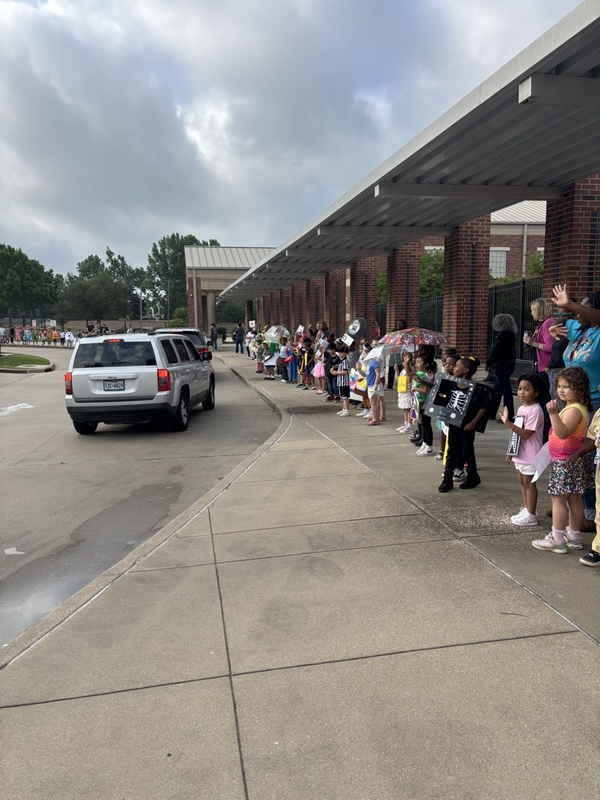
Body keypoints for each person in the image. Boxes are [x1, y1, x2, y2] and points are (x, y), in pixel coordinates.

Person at [549, 286, 600, 532]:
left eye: (585, 307)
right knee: (570, 453)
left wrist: (570, 305)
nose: (579, 313)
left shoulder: (599, 331)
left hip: (593, 401)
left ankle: (590, 513)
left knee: (587, 457)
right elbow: (560, 321)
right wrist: (556, 322)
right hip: (570, 400)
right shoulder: (579, 329)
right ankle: (567, 501)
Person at [532, 367, 595, 554]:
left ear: (579, 388)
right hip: (572, 459)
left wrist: (552, 414)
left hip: (564, 461)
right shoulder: (576, 407)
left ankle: (557, 538)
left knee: (558, 500)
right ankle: (573, 536)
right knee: (575, 498)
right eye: (559, 386)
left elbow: (562, 432)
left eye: (566, 387)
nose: (560, 390)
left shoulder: (574, 410)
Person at [438, 357, 487, 492]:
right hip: (454, 423)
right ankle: (447, 478)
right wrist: (445, 417)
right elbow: (446, 400)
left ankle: (473, 475)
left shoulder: (475, 388)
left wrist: (473, 423)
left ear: (465, 370)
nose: (454, 368)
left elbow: (483, 407)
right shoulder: (453, 384)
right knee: (452, 450)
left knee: (467, 450)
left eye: (457, 366)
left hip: (467, 425)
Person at [503, 374, 546, 526]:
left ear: (536, 392)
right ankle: (527, 509)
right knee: (522, 481)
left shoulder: (536, 410)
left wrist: (509, 424)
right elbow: (517, 432)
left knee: (529, 483)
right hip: (520, 452)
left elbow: (527, 433)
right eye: (520, 388)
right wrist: (511, 451)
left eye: (526, 389)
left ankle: (532, 515)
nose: (521, 392)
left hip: (531, 453)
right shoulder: (521, 408)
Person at [567, 404, 600, 566]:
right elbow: (593, 439)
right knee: (599, 510)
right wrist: (579, 453)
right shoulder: (599, 414)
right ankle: (598, 548)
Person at [487, 313, 517, 422]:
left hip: (500, 365)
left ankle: (508, 414)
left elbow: (495, 351)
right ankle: (492, 411)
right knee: (498, 388)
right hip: (507, 364)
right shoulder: (511, 335)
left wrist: (489, 361)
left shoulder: (502, 336)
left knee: (504, 390)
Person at [410, 354, 436, 455]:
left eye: (418, 362)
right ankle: (425, 443)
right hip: (420, 403)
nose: (416, 364)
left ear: (426, 365)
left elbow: (424, 390)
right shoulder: (420, 375)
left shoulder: (425, 376)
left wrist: (414, 388)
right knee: (423, 425)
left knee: (426, 425)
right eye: (416, 362)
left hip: (426, 404)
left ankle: (429, 446)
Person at [365, 350, 384, 426]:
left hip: (374, 384)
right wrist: (359, 369)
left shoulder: (375, 363)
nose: (362, 355)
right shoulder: (368, 363)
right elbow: (365, 374)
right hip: (370, 384)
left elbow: (378, 373)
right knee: (372, 402)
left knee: (373, 402)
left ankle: (375, 418)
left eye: (364, 354)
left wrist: (376, 383)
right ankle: (375, 416)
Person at [396, 351, 413, 433]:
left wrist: (407, 365)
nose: (404, 362)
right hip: (402, 391)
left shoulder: (410, 370)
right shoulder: (403, 370)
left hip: (407, 392)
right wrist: (396, 371)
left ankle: (409, 425)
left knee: (408, 409)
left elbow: (409, 379)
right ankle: (405, 423)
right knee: (404, 409)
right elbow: (398, 380)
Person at [332, 345, 351, 417]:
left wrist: (336, 373)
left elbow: (345, 372)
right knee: (343, 396)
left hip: (345, 382)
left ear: (345, 353)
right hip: (340, 381)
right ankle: (344, 408)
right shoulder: (341, 361)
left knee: (345, 396)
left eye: (341, 352)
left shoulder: (345, 361)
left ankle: (347, 410)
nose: (339, 354)